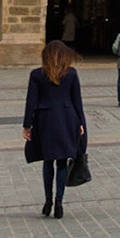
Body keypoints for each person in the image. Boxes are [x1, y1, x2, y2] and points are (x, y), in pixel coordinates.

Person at [22, 39, 87, 219]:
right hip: (67, 119)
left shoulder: (37, 75)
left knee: (48, 160)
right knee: (62, 161)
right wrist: (81, 123)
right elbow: (77, 102)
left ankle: (48, 200)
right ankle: (59, 202)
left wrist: (27, 125)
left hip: (45, 120)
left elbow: (30, 102)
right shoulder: (71, 74)